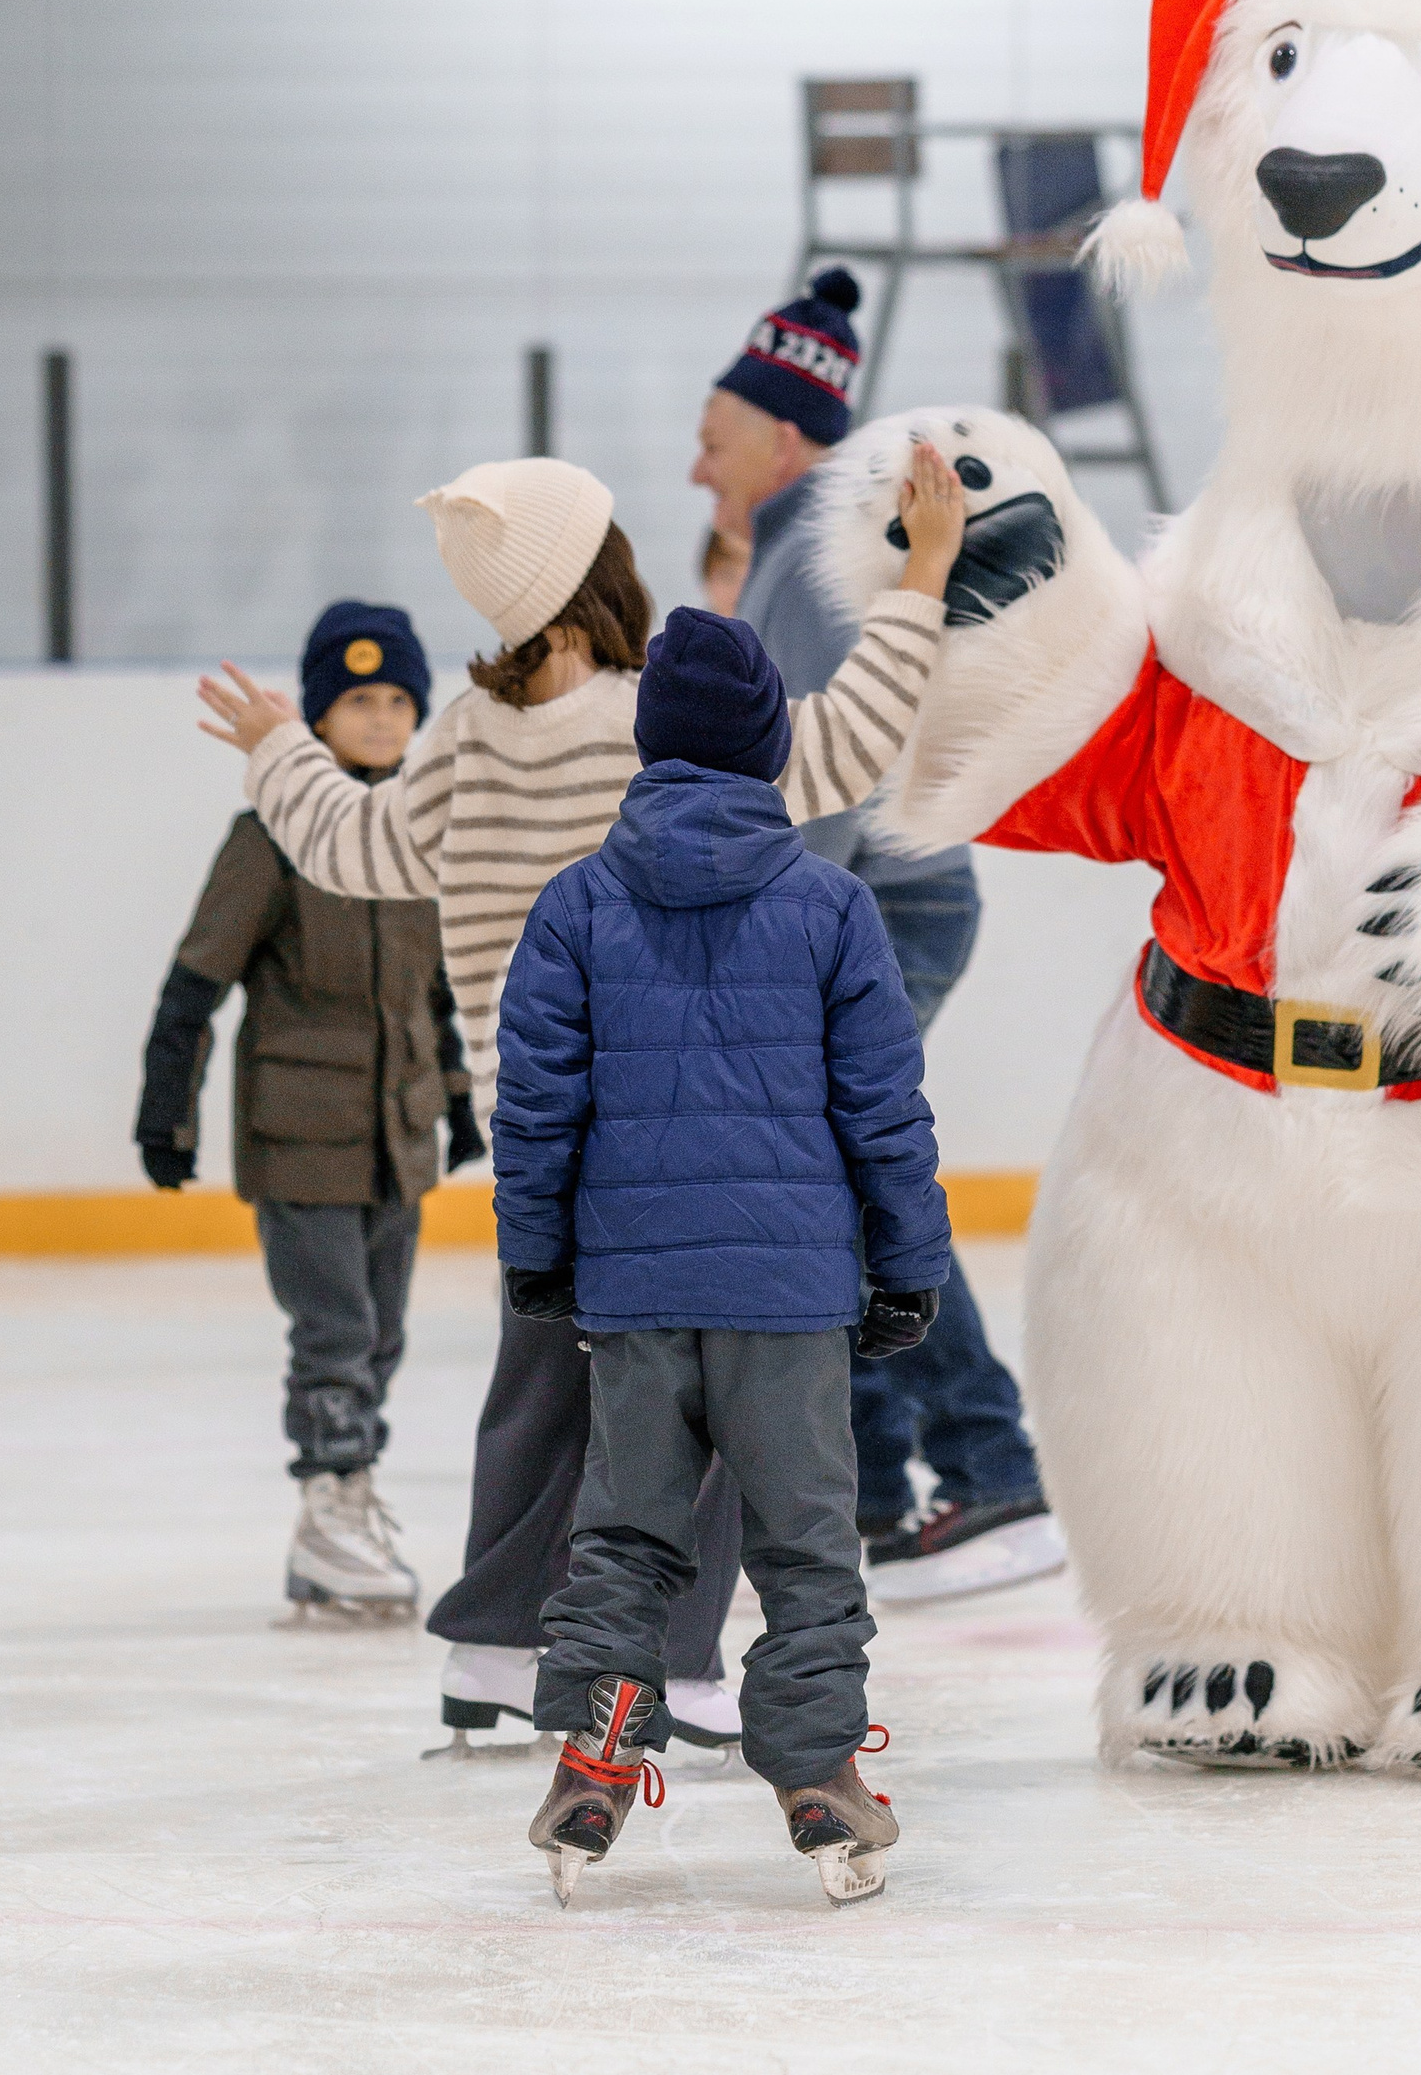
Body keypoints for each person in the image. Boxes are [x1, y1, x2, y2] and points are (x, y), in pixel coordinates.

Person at [192, 445, 965, 1747]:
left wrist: (280, 750)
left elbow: (357, 844)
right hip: (673, 1134)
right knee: (707, 1400)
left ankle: (496, 1641)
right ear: (599, 575)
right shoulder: (649, 730)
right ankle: (681, 1659)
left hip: (533, 1125)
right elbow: (845, 743)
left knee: (546, 1388)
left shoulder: (466, 739)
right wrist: (924, 574)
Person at [496, 606, 948, 1910]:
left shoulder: (577, 905)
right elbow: (883, 1109)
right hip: (789, 1298)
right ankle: (818, 1780)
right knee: (805, 1547)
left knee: (625, 1541)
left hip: (635, 1296)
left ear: (651, 749)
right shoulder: (829, 905)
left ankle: (594, 1754)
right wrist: (907, 1263)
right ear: (767, 749)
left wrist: (539, 1258)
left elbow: (536, 1103)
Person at [695, 268, 1061, 1601]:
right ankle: (893, 1486)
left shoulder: (800, 552)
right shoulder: (801, 541)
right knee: (837, 1180)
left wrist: (767, 940)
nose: (695, 464)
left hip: (872, 896)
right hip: (877, 891)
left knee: (846, 1176)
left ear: (785, 440)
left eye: (714, 436)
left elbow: (824, 768)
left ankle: (985, 1464)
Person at [137, 600, 480, 1619]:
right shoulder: (273, 838)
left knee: (381, 1334)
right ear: (318, 718)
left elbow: (436, 985)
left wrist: (456, 1101)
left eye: (396, 700)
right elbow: (196, 981)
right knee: (332, 1331)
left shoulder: (422, 830)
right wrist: (169, 1110)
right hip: (301, 1135)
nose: (379, 720)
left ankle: (346, 1499)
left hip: (396, 1134)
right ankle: (327, 1507)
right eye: (356, 700)